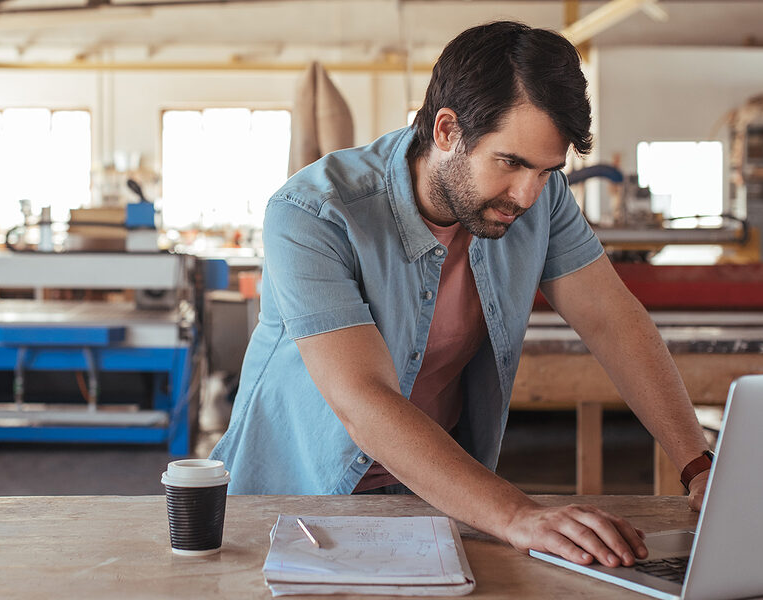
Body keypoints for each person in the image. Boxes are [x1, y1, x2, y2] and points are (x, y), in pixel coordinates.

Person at [208, 21, 713, 570]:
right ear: (448, 130)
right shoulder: (313, 213)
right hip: (293, 503)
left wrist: (699, 467)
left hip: (432, 499)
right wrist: (517, 514)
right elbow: (364, 402)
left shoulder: (541, 200)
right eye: (512, 162)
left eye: (547, 170)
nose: (527, 194)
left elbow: (613, 322)